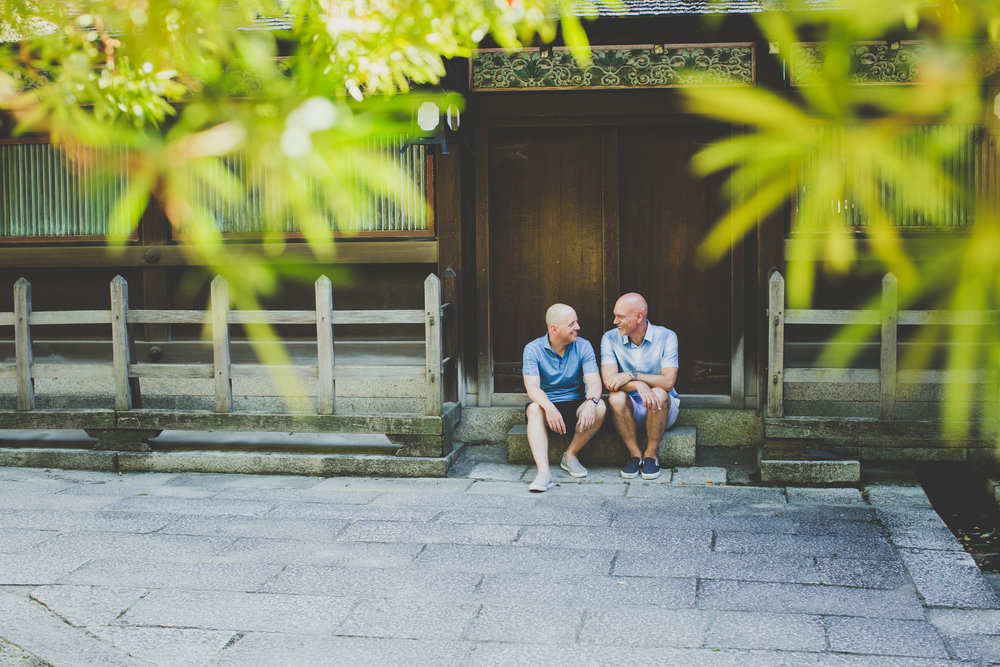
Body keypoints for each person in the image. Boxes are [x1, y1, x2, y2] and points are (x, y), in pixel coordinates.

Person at [522, 303, 607, 492]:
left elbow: (594, 382)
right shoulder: (533, 349)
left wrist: (591, 403)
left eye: (576, 322)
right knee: (534, 408)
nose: (578, 327)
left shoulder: (583, 346)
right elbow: (532, 388)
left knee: (599, 406)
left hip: (575, 404)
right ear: (554, 328)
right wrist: (550, 408)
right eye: (572, 324)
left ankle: (570, 455)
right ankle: (544, 474)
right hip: (547, 406)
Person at [600, 292, 680, 480]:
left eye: (620, 316)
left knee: (659, 393)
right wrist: (639, 386)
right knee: (616, 397)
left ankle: (651, 455)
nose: (615, 321)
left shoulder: (667, 336)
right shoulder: (609, 338)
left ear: (638, 317)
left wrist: (631, 375)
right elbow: (610, 382)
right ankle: (635, 454)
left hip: (663, 408)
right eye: (615, 315)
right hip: (629, 408)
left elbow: (668, 382)